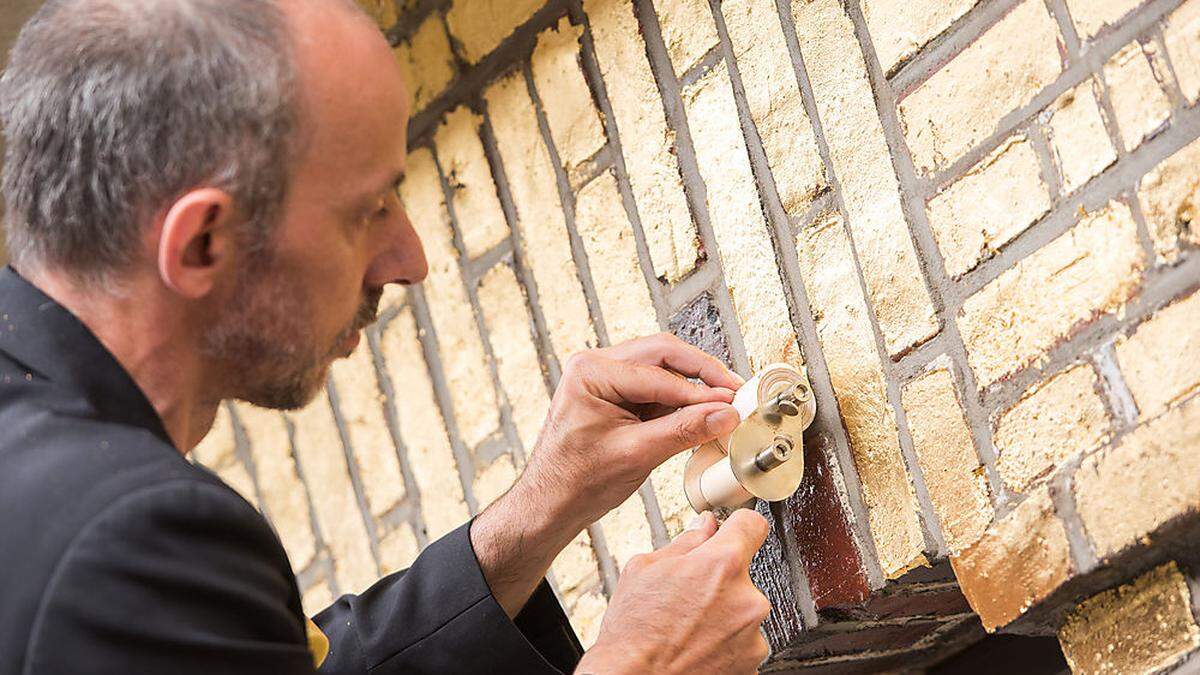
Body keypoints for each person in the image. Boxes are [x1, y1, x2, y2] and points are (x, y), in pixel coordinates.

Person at [0, 0, 773, 673]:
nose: (412, 261)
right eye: (368, 209)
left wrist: (532, 517)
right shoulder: (119, 549)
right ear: (204, 242)